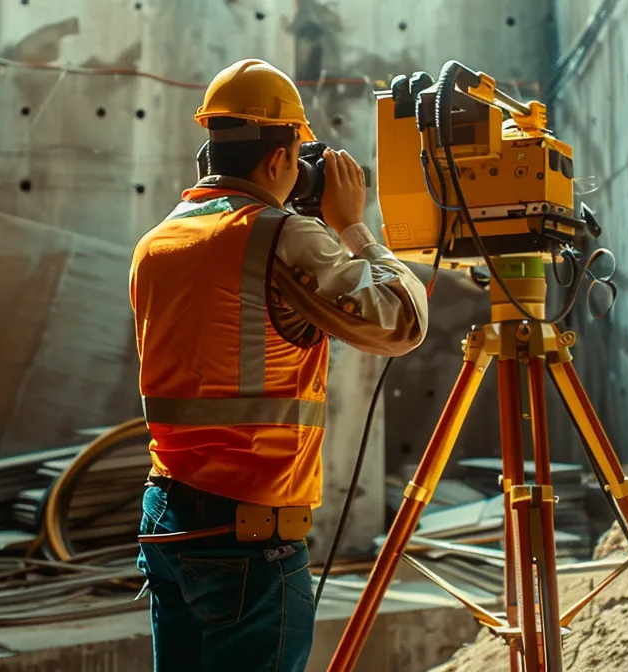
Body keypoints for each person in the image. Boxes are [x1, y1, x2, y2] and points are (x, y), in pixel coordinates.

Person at [127, 58, 430, 672]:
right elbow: (400, 320)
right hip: (248, 535)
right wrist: (353, 228)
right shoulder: (279, 235)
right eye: (298, 156)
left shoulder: (156, 243)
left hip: (167, 518)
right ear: (276, 161)